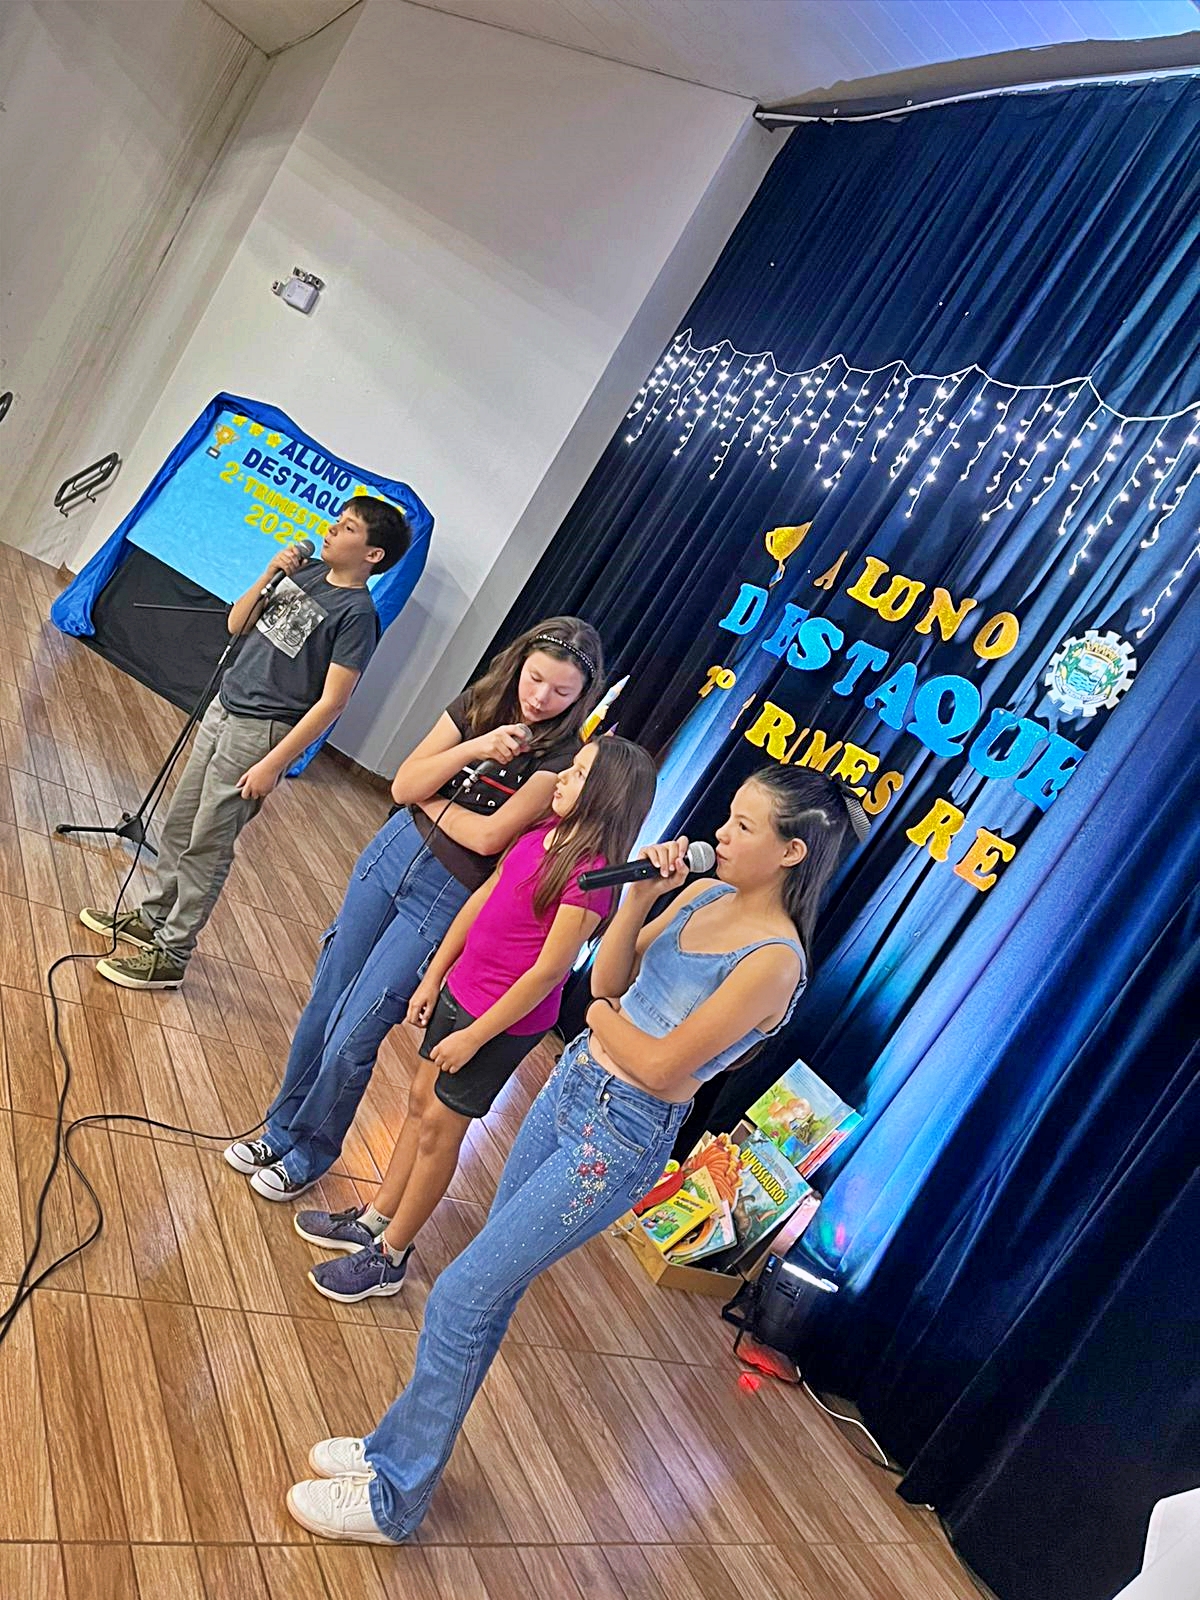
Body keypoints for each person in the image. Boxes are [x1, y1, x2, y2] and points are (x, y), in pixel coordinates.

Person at [283, 763, 869, 1544]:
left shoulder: (774, 960)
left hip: (620, 1136)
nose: (721, 834)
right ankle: (396, 1449)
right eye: (728, 817)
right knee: (486, 1294)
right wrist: (638, 903)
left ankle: (395, 1498)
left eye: (744, 827)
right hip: (572, 1086)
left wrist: (599, 1017)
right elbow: (613, 976)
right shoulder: (702, 895)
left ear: (792, 853)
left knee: (460, 1294)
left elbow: (660, 1067)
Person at [225, 616, 605, 1200]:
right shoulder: (479, 703)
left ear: (582, 697)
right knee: (325, 999)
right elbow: (402, 785)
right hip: (390, 854)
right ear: (520, 663)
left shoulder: (562, 758)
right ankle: (278, 1130)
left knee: (357, 1029)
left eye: (561, 692)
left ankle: (310, 1151)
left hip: (446, 890)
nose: (539, 699)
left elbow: (488, 838)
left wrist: (429, 797)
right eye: (534, 679)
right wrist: (473, 748)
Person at [296, 735, 657, 1302]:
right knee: (419, 1104)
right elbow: (484, 896)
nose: (563, 777)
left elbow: (547, 974)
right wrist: (435, 975)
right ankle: (375, 1218)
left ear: (607, 796)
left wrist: (473, 1037)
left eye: (580, 774)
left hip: (499, 1024)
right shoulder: (542, 831)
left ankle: (392, 1255)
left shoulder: (589, 878)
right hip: (460, 993)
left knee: (441, 1132)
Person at [80, 498, 410, 990]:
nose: (331, 530)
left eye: (346, 528)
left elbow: (333, 701)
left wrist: (276, 763)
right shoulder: (307, 573)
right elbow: (237, 623)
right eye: (336, 521)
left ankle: (172, 954)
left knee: (208, 843)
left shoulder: (357, 614)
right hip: (225, 706)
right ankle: (152, 919)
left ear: (373, 554)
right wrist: (269, 573)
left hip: (262, 732)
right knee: (181, 823)